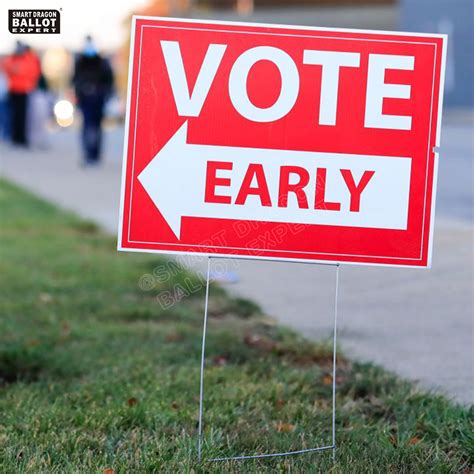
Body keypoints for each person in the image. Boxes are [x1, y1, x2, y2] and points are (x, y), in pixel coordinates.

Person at [72, 36, 114, 166]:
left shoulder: (102, 62)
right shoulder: (80, 62)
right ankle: (88, 154)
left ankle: (95, 155)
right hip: (85, 100)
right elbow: (75, 80)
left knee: (96, 128)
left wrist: (104, 94)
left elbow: (109, 81)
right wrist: (81, 91)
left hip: (99, 99)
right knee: (87, 127)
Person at [2, 42, 41, 146]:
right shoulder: (12, 58)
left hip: (24, 90)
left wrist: (18, 70)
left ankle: (22, 138)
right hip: (13, 90)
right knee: (13, 115)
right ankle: (14, 137)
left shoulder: (29, 59)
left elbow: (32, 72)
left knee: (23, 116)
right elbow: (6, 68)